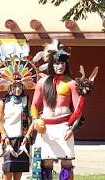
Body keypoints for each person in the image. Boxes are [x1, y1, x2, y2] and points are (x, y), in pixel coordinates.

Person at [26, 40, 80, 180]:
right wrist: (36, 120)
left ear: (66, 64)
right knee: (46, 163)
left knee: (66, 162)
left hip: (64, 127)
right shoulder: (42, 83)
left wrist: (72, 128)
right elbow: (34, 106)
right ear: (51, 64)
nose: (60, 66)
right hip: (46, 128)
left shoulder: (72, 83)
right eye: (56, 63)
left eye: (62, 63)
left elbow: (78, 109)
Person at [0, 56, 31, 180]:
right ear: (10, 87)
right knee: (8, 172)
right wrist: (4, 135)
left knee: (18, 173)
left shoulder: (26, 100)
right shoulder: (3, 102)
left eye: (20, 86)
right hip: (8, 139)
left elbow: (30, 118)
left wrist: (28, 136)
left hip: (22, 139)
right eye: (15, 86)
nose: (17, 89)